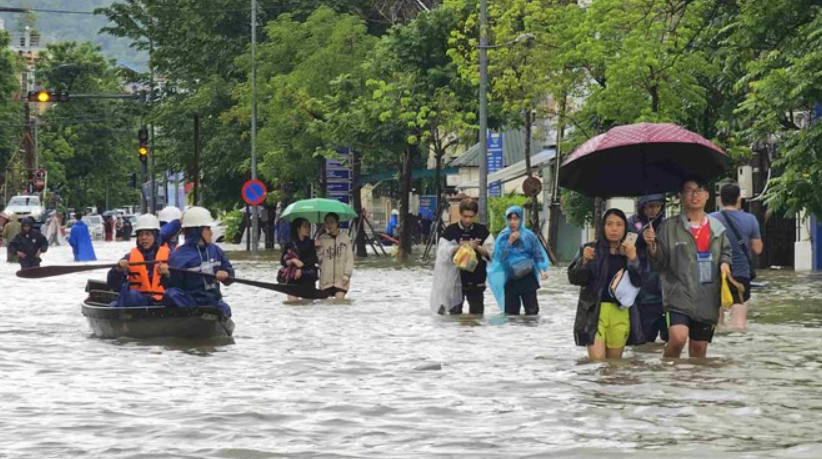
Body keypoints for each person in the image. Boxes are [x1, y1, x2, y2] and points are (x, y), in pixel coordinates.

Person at [646, 178, 733, 358]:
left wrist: (725, 264)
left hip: (707, 296)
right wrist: (652, 247)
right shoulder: (669, 227)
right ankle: (668, 368)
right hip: (678, 294)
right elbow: (659, 264)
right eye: (689, 190)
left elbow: (726, 251)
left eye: (699, 190)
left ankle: (692, 377)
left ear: (707, 195)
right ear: (681, 196)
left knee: (699, 350)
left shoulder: (717, 228)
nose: (694, 195)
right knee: (678, 338)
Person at [570, 209, 644, 359]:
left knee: (613, 365)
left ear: (625, 228)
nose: (614, 229)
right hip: (594, 312)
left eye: (619, 225)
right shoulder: (590, 249)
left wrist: (633, 259)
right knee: (597, 361)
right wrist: (584, 261)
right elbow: (575, 278)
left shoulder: (630, 250)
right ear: (603, 227)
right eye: (609, 224)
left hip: (621, 312)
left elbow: (640, 282)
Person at [710, 183, 763, 331]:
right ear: (739, 199)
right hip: (741, 273)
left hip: (716, 273)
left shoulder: (710, 219)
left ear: (720, 199)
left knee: (716, 324)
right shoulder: (750, 219)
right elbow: (758, 249)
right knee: (739, 324)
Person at [164, 206, 234, 317]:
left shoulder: (216, 250)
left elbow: (230, 277)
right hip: (191, 303)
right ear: (197, 231)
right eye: (208, 228)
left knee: (225, 309)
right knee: (171, 294)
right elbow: (173, 285)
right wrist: (167, 275)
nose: (211, 232)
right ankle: (194, 317)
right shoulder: (178, 256)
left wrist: (226, 273)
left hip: (213, 302)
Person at [487, 206, 549, 315]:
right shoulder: (503, 237)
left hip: (528, 277)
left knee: (532, 313)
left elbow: (537, 254)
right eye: (510, 219)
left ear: (521, 219)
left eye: (516, 219)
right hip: (511, 278)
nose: (512, 222)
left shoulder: (529, 236)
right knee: (511, 315)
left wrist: (542, 270)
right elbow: (499, 257)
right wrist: (509, 242)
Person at [440, 198, 494, 314]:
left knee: (477, 316)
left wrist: (477, 247)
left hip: (477, 281)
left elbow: (492, 253)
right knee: (453, 317)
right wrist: (458, 248)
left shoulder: (482, 231)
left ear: (475, 215)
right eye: (465, 216)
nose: (468, 220)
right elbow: (442, 253)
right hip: (455, 283)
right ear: (460, 214)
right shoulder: (450, 231)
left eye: (471, 217)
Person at [627, 194, 668, 342]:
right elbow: (627, 247)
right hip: (643, 293)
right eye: (650, 206)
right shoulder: (631, 224)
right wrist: (641, 239)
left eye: (657, 206)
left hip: (665, 292)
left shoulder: (666, 225)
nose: (654, 210)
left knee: (671, 340)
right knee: (644, 340)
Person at [106, 214, 170, 307]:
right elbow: (113, 284)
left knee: (173, 295)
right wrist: (118, 270)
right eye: (141, 234)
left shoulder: (169, 256)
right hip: (138, 301)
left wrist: (168, 273)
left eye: (148, 234)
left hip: (162, 302)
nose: (144, 238)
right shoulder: (129, 257)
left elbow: (179, 283)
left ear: (155, 236)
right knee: (131, 295)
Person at [315, 212, 354, 299]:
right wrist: (318, 249)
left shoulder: (345, 239)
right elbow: (319, 261)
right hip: (325, 280)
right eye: (327, 222)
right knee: (325, 305)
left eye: (332, 222)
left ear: (337, 223)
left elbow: (349, 259)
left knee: (339, 302)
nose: (329, 225)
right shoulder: (322, 239)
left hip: (341, 279)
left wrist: (347, 275)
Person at [279, 217, 319, 301]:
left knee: (308, 304)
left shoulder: (311, 243)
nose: (308, 229)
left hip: (308, 277)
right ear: (298, 229)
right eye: (305, 226)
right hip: (293, 278)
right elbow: (283, 261)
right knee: (293, 303)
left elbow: (312, 260)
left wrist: (300, 268)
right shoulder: (290, 244)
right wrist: (293, 261)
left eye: (309, 226)